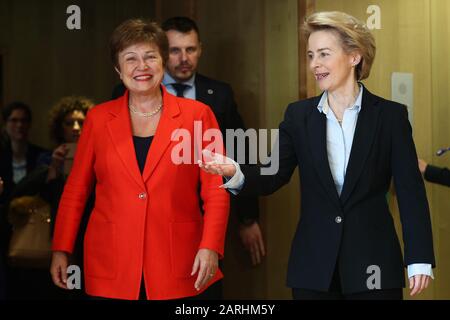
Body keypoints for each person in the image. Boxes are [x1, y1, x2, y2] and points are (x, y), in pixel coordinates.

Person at [199, 11, 435, 300]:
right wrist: (235, 172)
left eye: (324, 54)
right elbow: (274, 174)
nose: (314, 64)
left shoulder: (391, 116)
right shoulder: (298, 116)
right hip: (313, 267)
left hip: (374, 262)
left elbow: (411, 192)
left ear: (354, 56)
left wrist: (419, 257)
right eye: (311, 55)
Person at [50, 19, 229, 300]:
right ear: (118, 68)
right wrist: (61, 248)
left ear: (163, 62)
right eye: (130, 58)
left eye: (150, 57)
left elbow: (215, 190)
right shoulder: (97, 119)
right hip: (110, 261)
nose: (141, 67)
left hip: (180, 260)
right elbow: (76, 190)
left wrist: (210, 246)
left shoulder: (198, 115)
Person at [113, 17, 264, 268]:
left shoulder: (220, 95)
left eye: (190, 49)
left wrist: (247, 219)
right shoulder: (125, 93)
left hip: (207, 212)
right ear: (162, 53)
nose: (184, 58)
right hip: (147, 215)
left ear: (200, 50)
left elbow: (241, 152)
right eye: (175, 50)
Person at [9, 96, 94, 299]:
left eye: (81, 123)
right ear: (59, 127)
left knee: (89, 289)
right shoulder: (48, 158)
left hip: (92, 237)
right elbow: (22, 192)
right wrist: (53, 170)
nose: (75, 127)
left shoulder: (100, 155)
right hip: (60, 238)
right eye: (69, 123)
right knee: (66, 289)